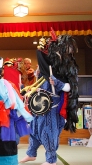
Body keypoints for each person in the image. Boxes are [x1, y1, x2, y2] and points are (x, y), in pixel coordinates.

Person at [20, 30, 79, 165]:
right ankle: (31, 153)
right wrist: (39, 73)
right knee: (34, 128)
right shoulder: (52, 65)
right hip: (42, 103)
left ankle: (51, 160)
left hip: (54, 105)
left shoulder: (70, 67)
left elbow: (70, 88)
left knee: (49, 131)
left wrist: (57, 83)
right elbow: (42, 81)